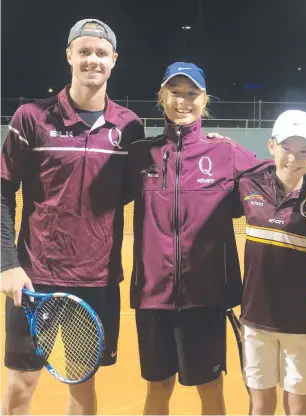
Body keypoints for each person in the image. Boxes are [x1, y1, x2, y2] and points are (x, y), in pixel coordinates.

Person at [123, 63, 306, 415]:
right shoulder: (141, 153)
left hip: (205, 298)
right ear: (162, 97)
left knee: (210, 389)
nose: (183, 101)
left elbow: (280, 168)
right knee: (157, 388)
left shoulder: (225, 154)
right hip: (152, 296)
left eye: (192, 94)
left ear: (204, 100)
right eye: (175, 92)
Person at [0, 19, 144, 415]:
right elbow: (2, 192)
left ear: (114, 60)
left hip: (96, 281)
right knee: (20, 384)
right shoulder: (31, 118)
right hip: (34, 278)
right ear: (69, 56)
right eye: (84, 51)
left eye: (101, 53)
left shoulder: (129, 128)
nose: (92, 60)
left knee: (82, 381)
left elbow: (140, 187)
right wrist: (7, 264)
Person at [234, 110, 306, 415]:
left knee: (298, 406)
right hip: (255, 317)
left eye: (304, 150)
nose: (294, 158)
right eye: (287, 148)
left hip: (300, 321)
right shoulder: (249, 184)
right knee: (260, 404)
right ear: (272, 145)